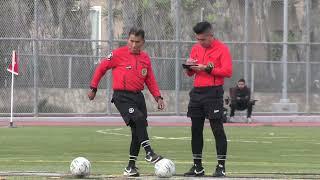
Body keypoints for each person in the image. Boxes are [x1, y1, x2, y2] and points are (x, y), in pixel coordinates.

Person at [88, 27, 165, 177]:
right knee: (139, 119)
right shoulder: (118, 54)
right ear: (127, 40)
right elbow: (101, 68)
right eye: (131, 41)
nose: (134, 44)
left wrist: (158, 97)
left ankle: (130, 167)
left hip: (138, 98)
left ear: (143, 42)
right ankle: (149, 152)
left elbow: (150, 79)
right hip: (122, 97)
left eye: (137, 42)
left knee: (137, 131)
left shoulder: (145, 58)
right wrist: (93, 87)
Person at [183, 21, 232, 177]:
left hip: (213, 93)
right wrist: (189, 67)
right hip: (197, 92)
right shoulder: (196, 48)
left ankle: (221, 167)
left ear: (211, 35)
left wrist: (207, 68)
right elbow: (190, 73)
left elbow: (227, 71)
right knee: (195, 129)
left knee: (217, 129)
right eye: (198, 39)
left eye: (203, 39)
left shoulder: (222, 49)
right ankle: (197, 166)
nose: (200, 42)